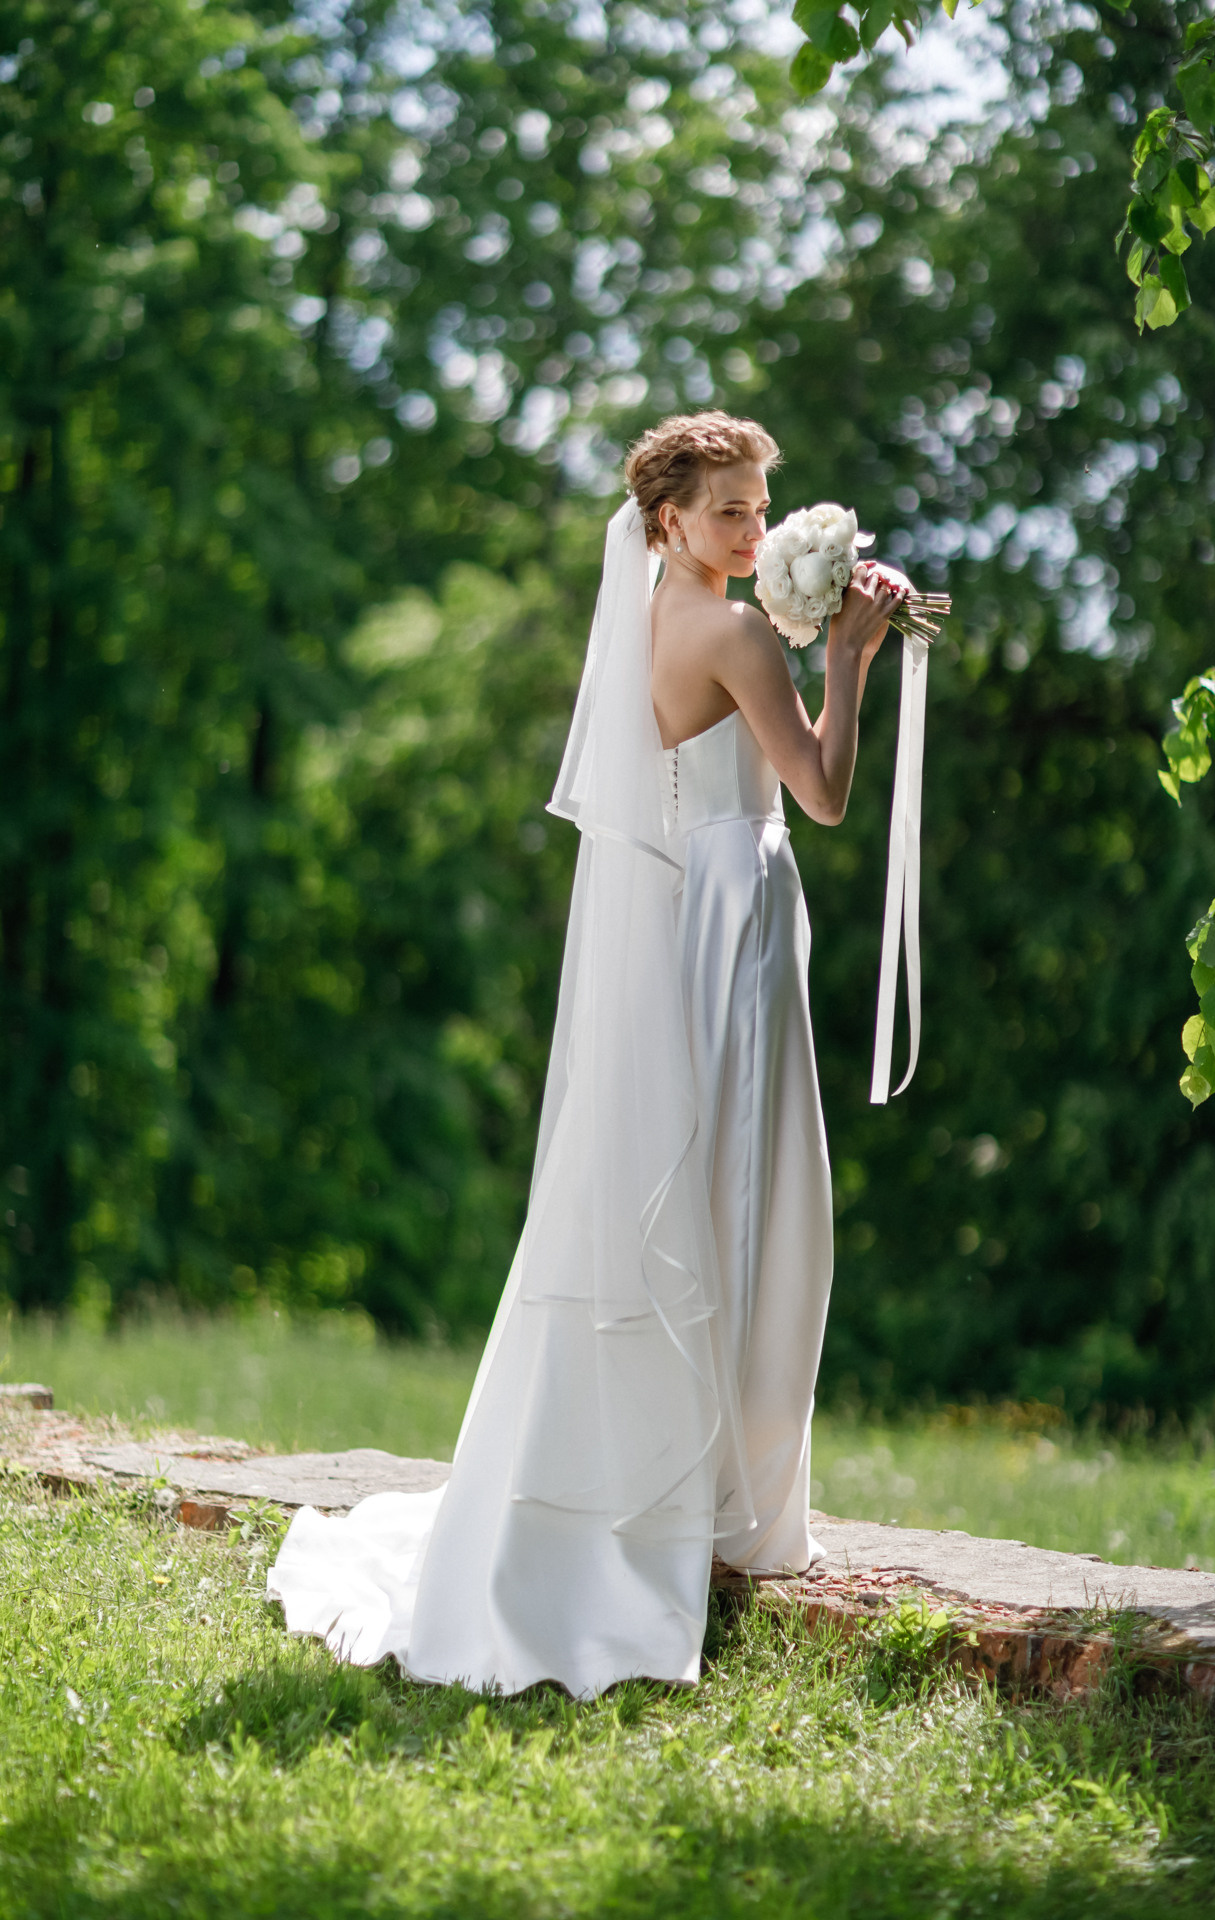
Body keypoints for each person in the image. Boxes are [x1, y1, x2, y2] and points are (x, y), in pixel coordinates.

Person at [268, 411, 904, 1696]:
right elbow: (823, 791)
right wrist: (850, 655)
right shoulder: (726, 629)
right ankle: (715, 1510)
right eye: (728, 509)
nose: (752, 527)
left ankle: (684, 1492)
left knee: (707, 1204)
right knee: (753, 1202)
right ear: (667, 522)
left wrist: (801, 625)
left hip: (693, 926)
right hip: (730, 930)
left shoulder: (659, 623)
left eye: (760, 505)